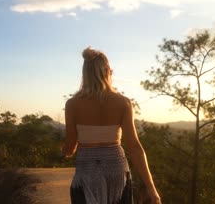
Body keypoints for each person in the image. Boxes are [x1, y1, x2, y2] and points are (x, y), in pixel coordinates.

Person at [62, 47, 161, 204]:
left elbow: (70, 147)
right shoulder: (123, 103)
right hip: (117, 169)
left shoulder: (72, 104)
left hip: (87, 170)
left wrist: (66, 150)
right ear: (108, 71)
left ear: (85, 74)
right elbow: (134, 147)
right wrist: (151, 188)